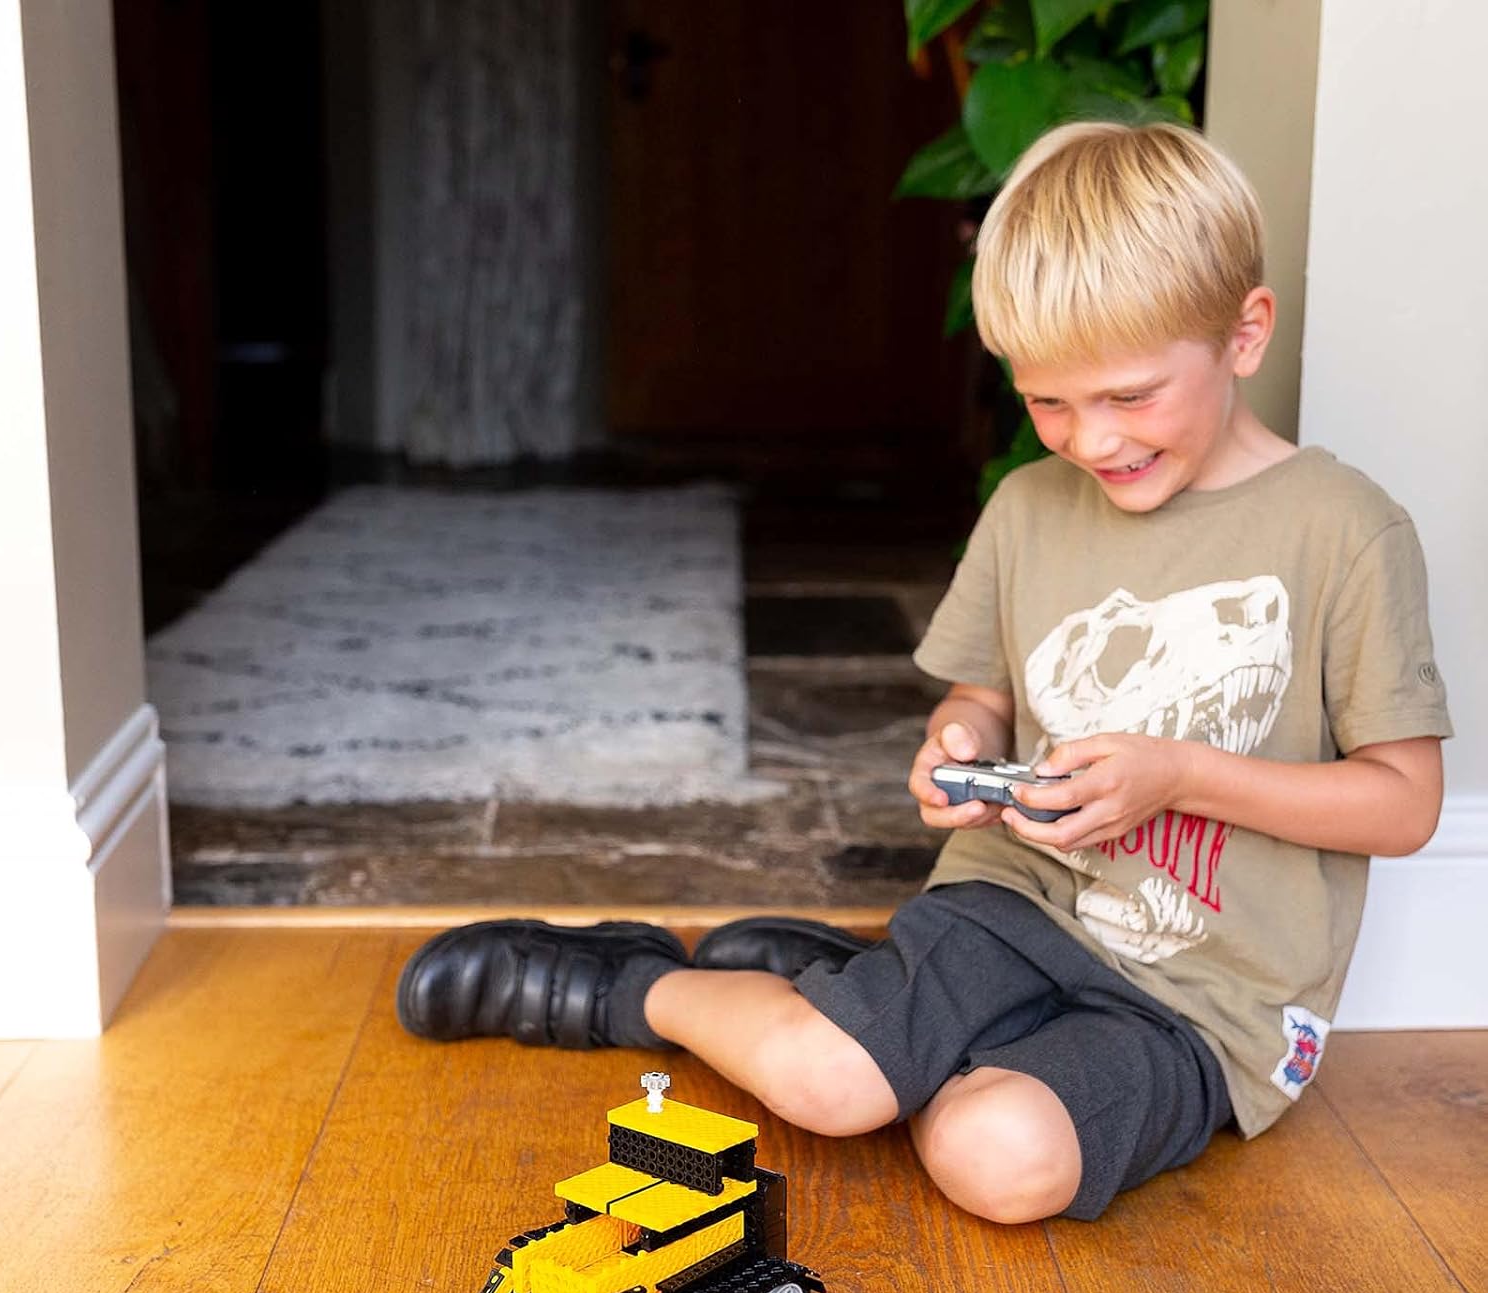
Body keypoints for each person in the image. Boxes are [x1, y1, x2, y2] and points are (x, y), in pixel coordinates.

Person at [395, 122, 1452, 1223]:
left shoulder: (1347, 532)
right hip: (1014, 903)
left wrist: (1177, 775)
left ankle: (851, 996)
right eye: (1048, 403)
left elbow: (1404, 802)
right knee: (825, 1086)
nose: (1091, 443)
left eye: (1131, 397)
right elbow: (981, 695)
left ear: (1245, 333)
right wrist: (961, 744)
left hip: (1200, 1003)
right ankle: (633, 983)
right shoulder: (1028, 509)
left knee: (994, 1162)